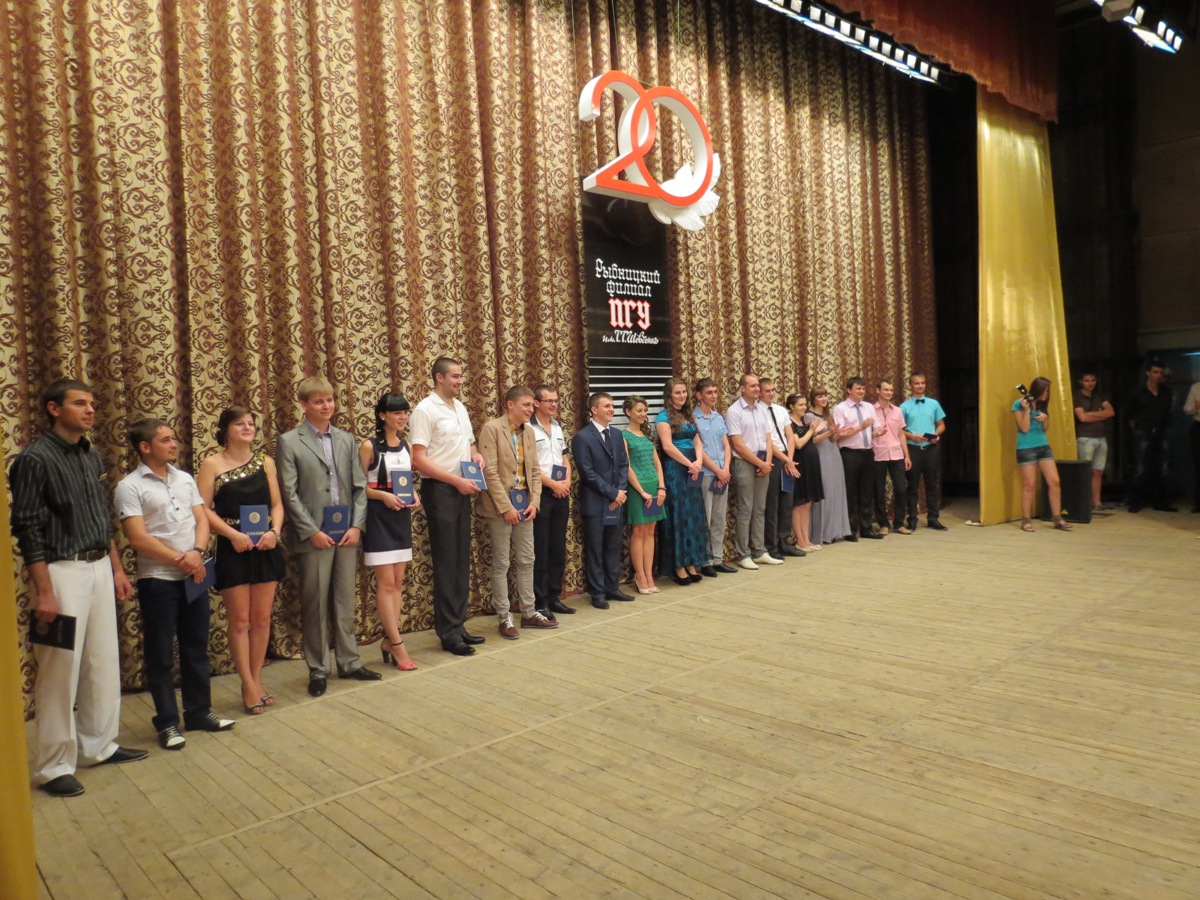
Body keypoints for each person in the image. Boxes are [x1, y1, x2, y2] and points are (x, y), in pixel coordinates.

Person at [9, 379, 147, 797]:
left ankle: (97, 745)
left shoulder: (91, 455)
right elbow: (27, 528)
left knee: (102, 660)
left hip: (99, 565)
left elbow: (101, 518)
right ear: (54, 409)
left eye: (92, 404)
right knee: (60, 668)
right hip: (60, 571)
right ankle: (53, 766)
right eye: (80, 403)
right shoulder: (34, 459)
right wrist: (44, 591)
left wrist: (116, 568)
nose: (90, 410)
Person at [116, 419, 235, 750]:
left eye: (173, 439)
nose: (174, 445)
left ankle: (199, 712)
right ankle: (167, 723)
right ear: (145, 447)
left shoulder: (184, 478)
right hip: (158, 580)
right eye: (166, 440)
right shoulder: (129, 486)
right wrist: (179, 559)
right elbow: (138, 537)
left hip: (194, 574)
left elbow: (201, 519)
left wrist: (197, 553)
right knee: (161, 654)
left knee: (196, 647)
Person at [276, 374, 380, 695]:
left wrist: (356, 525)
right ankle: (319, 669)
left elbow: (360, 487)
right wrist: (310, 530)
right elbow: (289, 493)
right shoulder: (290, 441)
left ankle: (349, 662)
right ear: (304, 405)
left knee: (345, 599)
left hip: (345, 532)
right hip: (315, 536)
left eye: (330, 400)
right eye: (318, 401)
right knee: (316, 603)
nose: (326, 406)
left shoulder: (346, 439)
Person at [197, 406, 286, 715]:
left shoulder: (266, 462)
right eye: (239, 424)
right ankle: (247, 684)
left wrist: (275, 532)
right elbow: (202, 508)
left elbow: (277, 504)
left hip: (265, 545)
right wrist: (231, 534)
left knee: (261, 619)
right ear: (225, 430)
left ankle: (256, 680)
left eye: (251, 423)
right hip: (233, 546)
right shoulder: (211, 464)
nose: (247, 428)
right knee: (240, 620)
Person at [410, 357, 488, 655]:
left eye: (461, 376)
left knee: (460, 559)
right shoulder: (425, 410)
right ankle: (448, 632)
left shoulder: (460, 408)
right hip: (441, 489)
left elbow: (469, 444)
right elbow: (418, 458)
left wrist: (475, 455)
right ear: (439, 378)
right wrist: (454, 480)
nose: (460, 381)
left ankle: (458, 623)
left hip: (462, 487)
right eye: (454, 376)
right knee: (446, 560)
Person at [478, 385, 554, 639]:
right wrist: (506, 507)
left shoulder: (529, 431)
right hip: (499, 507)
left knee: (526, 559)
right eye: (527, 405)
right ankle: (504, 616)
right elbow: (489, 472)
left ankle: (529, 612)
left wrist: (535, 502)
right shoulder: (492, 429)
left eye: (533, 405)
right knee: (502, 562)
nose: (531, 409)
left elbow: (535, 471)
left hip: (525, 505)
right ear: (510, 405)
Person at [358, 392, 419, 671]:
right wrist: (383, 496)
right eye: (396, 412)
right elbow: (358, 486)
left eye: (405, 412)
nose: (402, 417)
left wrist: (414, 494)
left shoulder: (406, 445)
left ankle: (389, 639)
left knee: (397, 581)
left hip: (400, 516)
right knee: (385, 583)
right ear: (382, 415)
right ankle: (397, 643)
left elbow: (406, 482)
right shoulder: (369, 446)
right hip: (378, 516)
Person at [571, 392, 631, 608]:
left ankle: (612, 587)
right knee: (595, 549)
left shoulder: (616, 434)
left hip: (616, 500)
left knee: (613, 546)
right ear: (594, 410)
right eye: (606, 406)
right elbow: (587, 473)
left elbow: (623, 464)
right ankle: (597, 593)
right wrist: (612, 493)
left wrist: (620, 491)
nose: (611, 409)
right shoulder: (582, 437)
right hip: (596, 502)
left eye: (612, 406)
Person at [655, 378, 711, 586]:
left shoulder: (687, 415)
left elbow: (697, 441)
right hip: (675, 469)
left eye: (684, 392)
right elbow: (667, 447)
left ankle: (690, 562)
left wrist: (698, 461)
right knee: (678, 514)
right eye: (677, 392)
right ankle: (678, 566)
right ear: (669, 395)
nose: (682, 396)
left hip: (691, 469)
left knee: (692, 514)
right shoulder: (663, 417)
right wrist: (690, 463)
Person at [725, 374, 781, 569]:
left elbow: (768, 438)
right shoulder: (734, 411)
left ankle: (759, 551)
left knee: (760, 508)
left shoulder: (762, 409)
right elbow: (738, 445)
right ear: (742, 389)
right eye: (753, 386)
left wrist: (767, 462)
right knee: (746, 509)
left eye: (758, 386)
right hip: (744, 463)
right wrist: (760, 463)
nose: (757, 389)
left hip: (763, 462)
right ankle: (743, 554)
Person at [530, 385, 575, 617]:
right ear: (536, 403)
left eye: (556, 400)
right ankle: (540, 601)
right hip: (541, 493)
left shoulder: (557, 427)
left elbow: (564, 458)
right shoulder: (528, 428)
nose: (554, 405)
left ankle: (554, 596)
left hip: (561, 492)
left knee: (557, 546)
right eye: (549, 401)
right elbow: (530, 466)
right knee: (541, 547)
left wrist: (566, 481)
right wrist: (552, 484)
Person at [1013, 377, 1071, 532]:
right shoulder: (1019, 404)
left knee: (1054, 481)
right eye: (1045, 391)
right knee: (1030, 485)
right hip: (1026, 447)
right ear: (1037, 389)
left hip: (1043, 446)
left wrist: (1045, 419)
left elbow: (1045, 429)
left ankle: (1057, 518)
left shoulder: (1042, 405)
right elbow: (1024, 428)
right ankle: (1026, 520)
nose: (1047, 394)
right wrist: (1026, 410)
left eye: (1048, 391)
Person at [621, 396, 666, 594]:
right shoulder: (624, 435)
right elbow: (627, 466)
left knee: (650, 531)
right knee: (638, 532)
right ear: (628, 412)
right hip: (637, 489)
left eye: (645, 410)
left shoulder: (647, 434)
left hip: (654, 486)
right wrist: (641, 491)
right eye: (639, 410)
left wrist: (661, 487)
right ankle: (639, 576)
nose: (643, 414)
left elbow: (657, 463)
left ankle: (649, 574)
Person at [693, 378, 736, 576]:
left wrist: (725, 468)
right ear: (699, 395)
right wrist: (717, 470)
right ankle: (705, 560)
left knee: (719, 518)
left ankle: (718, 558)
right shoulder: (694, 418)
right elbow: (698, 450)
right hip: (706, 473)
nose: (714, 396)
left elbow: (726, 444)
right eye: (709, 392)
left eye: (715, 392)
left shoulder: (718, 417)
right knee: (706, 518)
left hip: (722, 474)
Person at [833, 377, 882, 540]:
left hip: (867, 453)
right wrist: (861, 427)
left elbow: (873, 429)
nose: (861, 391)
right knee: (850, 492)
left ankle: (866, 528)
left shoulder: (869, 407)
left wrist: (878, 432)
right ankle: (850, 530)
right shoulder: (840, 409)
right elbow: (841, 435)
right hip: (850, 454)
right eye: (858, 388)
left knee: (866, 492)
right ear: (849, 390)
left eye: (863, 388)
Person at [759, 378, 803, 559]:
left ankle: (784, 542)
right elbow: (769, 441)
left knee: (786, 503)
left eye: (773, 390)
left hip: (787, 459)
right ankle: (772, 546)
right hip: (773, 458)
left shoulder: (780, 410)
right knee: (772, 504)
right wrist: (785, 460)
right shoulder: (758, 411)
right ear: (759, 392)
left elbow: (790, 436)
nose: (771, 393)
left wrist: (790, 459)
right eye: (767, 390)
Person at [1126, 360, 1176, 512]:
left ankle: (1161, 501)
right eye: (1155, 372)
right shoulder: (1138, 391)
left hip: (1162, 431)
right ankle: (1136, 501)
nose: (1158, 375)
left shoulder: (1166, 392)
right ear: (1148, 373)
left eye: (1160, 373)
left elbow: (1168, 411)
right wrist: (1137, 428)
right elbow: (1130, 413)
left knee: (1163, 467)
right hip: (1143, 430)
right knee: (1141, 467)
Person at [900, 373, 948, 531]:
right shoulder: (904, 407)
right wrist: (912, 436)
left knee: (932, 485)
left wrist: (936, 434)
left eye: (922, 383)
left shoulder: (934, 404)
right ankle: (912, 519)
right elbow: (899, 431)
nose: (920, 386)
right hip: (913, 449)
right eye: (917, 383)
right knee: (912, 486)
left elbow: (941, 425)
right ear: (910, 386)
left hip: (930, 449)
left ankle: (933, 518)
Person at [806, 388, 851, 545]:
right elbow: (811, 440)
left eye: (825, 395)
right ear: (813, 399)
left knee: (834, 491)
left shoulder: (828, 415)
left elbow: (832, 439)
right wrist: (828, 433)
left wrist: (838, 433)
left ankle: (834, 531)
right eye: (820, 396)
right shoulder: (809, 416)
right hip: (820, 455)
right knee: (824, 492)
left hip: (833, 453)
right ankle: (821, 533)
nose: (824, 399)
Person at [786, 393, 824, 552]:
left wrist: (814, 431)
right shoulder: (789, 423)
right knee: (799, 504)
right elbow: (799, 444)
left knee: (807, 504)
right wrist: (812, 430)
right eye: (800, 405)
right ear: (791, 406)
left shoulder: (803, 421)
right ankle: (800, 540)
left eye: (804, 404)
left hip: (810, 465)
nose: (804, 407)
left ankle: (806, 539)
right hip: (799, 465)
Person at [872, 379, 911, 535]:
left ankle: (899, 523)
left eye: (891, 390)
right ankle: (883, 523)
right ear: (878, 391)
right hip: (878, 454)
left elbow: (901, 434)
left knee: (901, 488)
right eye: (886, 390)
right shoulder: (870, 410)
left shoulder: (897, 411)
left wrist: (907, 456)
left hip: (896, 454)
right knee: (878, 490)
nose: (889, 393)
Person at [1072, 373, 1115, 511]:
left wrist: (1090, 414)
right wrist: (1101, 414)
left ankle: (1096, 502)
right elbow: (1082, 418)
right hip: (1085, 437)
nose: (1090, 383)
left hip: (1101, 437)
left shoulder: (1099, 395)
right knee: (1085, 471)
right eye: (1087, 381)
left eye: (1093, 380)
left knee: (1098, 471)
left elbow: (1111, 412)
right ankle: (1083, 502)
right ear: (1081, 381)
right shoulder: (1077, 396)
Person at [1184, 378, 1200, 513]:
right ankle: (1199, 502)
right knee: (1198, 466)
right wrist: (1196, 406)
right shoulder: (1196, 387)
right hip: (1198, 426)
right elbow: (1187, 409)